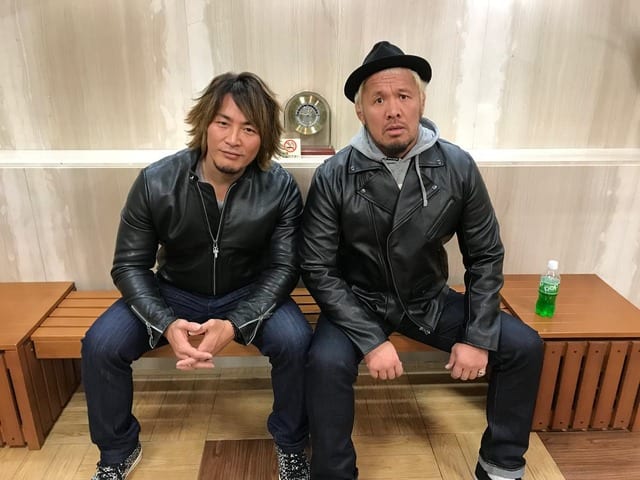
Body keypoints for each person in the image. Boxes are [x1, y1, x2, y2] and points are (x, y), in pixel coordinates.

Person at [300, 41, 544, 480]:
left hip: (428, 300)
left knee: (523, 346)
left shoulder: (456, 165)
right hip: (359, 302)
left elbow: (485, 254)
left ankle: (501, 465)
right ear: (361, 112)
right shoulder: (334, 174)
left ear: (421, 102)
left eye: (403, 96)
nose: (393, 110)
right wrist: (371, 340)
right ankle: (334, 472)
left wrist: (478, 335)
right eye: (379, 100)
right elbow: (317, 267)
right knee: (324, 363)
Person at [82, 72, 312, 480]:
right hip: (173, 291)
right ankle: (117, 450)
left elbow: (284, 268)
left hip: (248, 291)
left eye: (249, 129)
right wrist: (165, 323)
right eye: (224, 123)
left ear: (264, 138)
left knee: (296, 342)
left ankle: (291, 446)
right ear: (205, 123)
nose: (233, 139)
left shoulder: (279, 188)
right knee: (100, 345)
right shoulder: (156, 181)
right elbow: (129, 265)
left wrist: (235, 323)